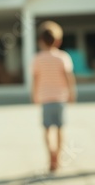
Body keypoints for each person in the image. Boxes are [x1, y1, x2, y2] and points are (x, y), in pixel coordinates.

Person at [31, 21, 77, 172]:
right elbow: (69, 77)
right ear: (58, 41)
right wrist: (72, 93)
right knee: (59, 129)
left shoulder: (37, 59)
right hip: (60, 99)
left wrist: (35, 95)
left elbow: (35, 79)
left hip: (45, 99)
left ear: (40, 41)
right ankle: (57, 154)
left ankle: (50, 154)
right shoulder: (63, 57)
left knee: (46, 129)